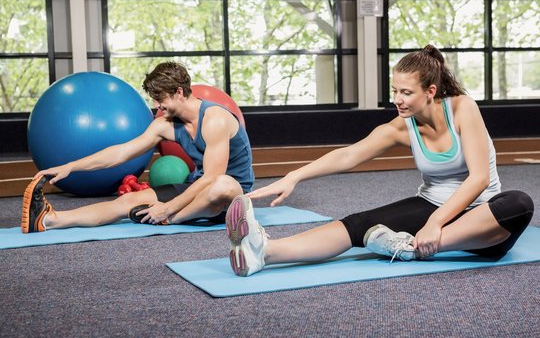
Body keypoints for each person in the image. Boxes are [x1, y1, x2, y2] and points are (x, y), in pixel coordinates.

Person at [223, 44, 534, 277]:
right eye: (395, 90)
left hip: (483, 220)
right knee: (358, 224)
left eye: (406, 92)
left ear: (431, 91)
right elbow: (349, 155)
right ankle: (264, 252)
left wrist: (434, 225)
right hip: (431, 204)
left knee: (519, 204)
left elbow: (479, 178)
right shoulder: (401, 126)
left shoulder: (462, 108)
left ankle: (411, 247)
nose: (397, 99)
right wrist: (295, 176)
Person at [22, 62, 254, 233]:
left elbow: (212, 178)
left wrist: (167, 208)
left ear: (179, 92)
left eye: (159, 98)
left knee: (220, 186)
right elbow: (121, 152)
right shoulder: (165, 124)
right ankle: (49, 220)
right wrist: (71, 166)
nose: (156, 105)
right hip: (197, 187)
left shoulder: (215, 119)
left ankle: (172, 219)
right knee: (127, 202)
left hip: (231, 194)